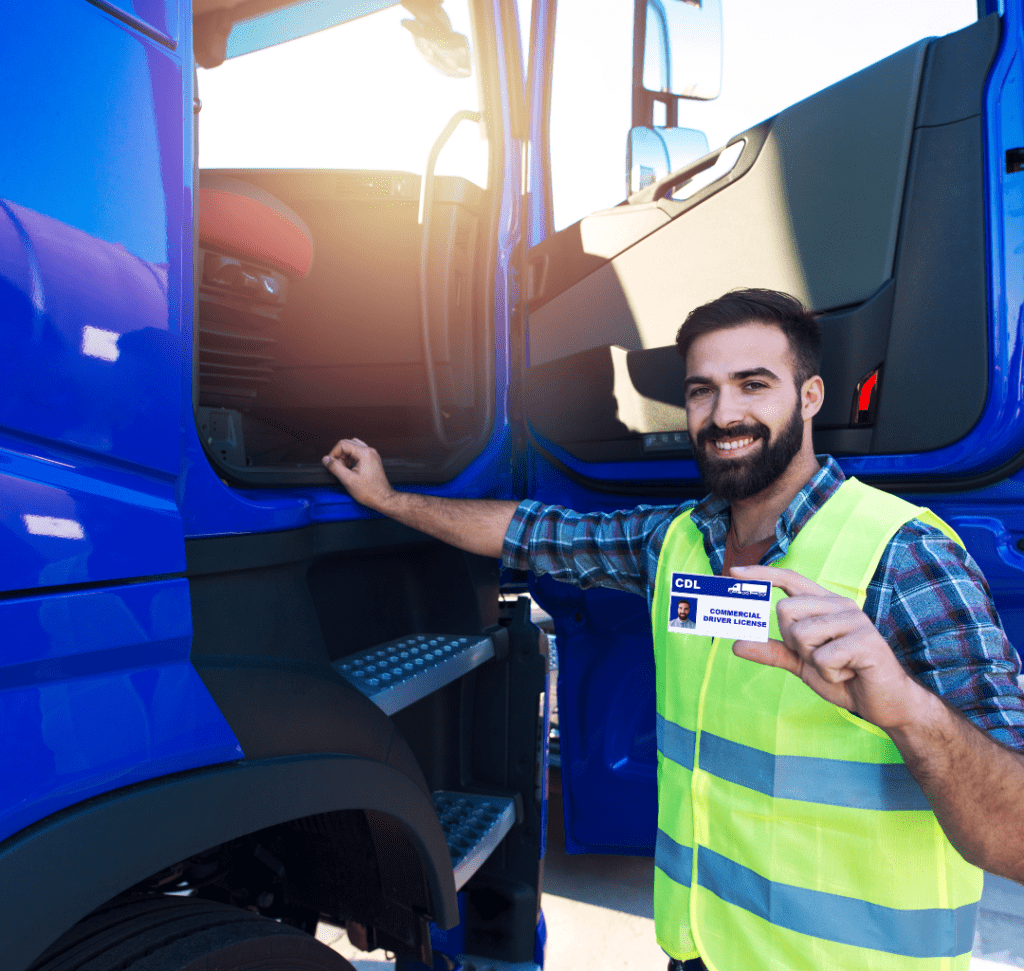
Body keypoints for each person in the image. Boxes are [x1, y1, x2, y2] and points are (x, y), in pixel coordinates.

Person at [324, 289, 1024, 971]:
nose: (725, 414)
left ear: (809, 397)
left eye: (754, 384)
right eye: (701, 390)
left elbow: (1014, 836)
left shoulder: (905, 556)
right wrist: (390, 499)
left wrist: (907, 708)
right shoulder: (676, 542)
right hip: (699, 952)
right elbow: (532, 532)